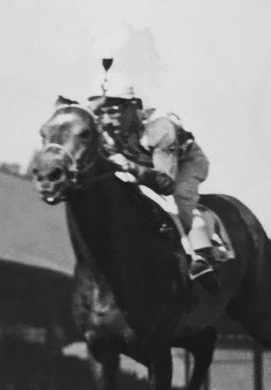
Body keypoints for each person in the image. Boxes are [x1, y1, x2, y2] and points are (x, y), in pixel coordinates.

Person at [86, 66, 221, 291]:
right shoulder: (105, 128)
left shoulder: (160, 128)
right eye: (100, 112)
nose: (106, 120)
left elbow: (165, 184)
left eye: (113, 111)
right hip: (148, 161)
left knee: (179, 198)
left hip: (184, 163)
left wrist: (132, 167)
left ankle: (201, 257)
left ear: (132, 107)